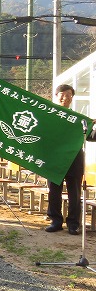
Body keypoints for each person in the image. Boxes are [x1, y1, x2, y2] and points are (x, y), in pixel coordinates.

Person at [47, 84, 96, 234]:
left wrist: (93, 126)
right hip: (54, 158)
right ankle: (55, 221)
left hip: (74, 160)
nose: (65, 97)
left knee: (74, 192)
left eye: (68, 95)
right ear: (56, 96)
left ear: (72, 98)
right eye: (62, 94)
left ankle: (73, 224)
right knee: (54, 191)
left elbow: (90, 137)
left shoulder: (78, 120)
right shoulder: (48, 116)